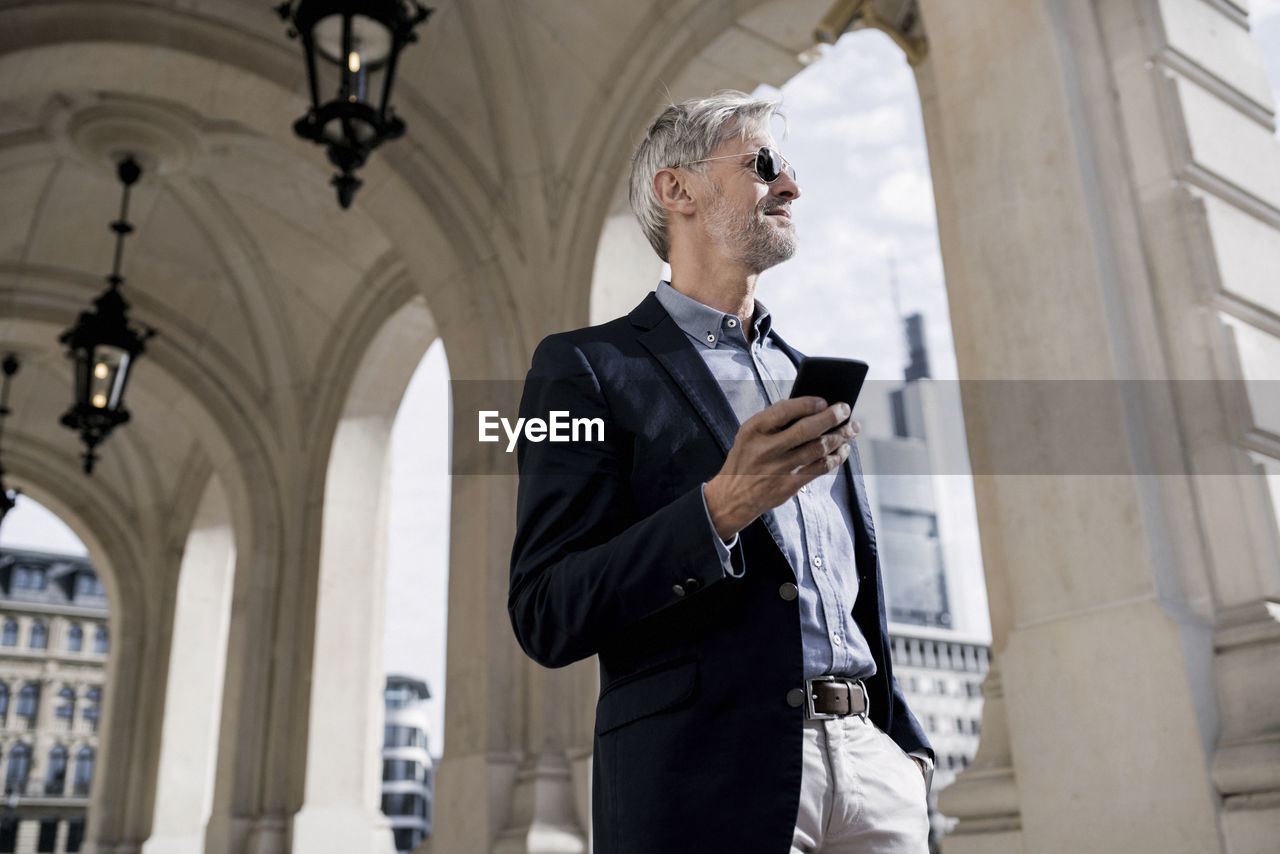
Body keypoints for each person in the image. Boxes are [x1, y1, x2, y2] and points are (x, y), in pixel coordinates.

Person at [508, 90, 933, 854]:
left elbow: (852, 589)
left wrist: (907, 753)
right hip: (705, 783)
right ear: (678, 190)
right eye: (764, 165)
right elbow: (545, 610)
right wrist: (721, 508)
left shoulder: (808, 377)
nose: (792, 188)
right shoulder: (581, 369)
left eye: (790, 170)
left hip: (876, 778)